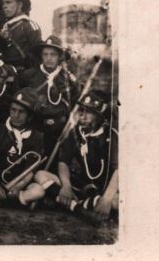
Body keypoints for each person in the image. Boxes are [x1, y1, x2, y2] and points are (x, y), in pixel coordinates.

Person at [33, 90, 119, 222]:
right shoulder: (75, 133)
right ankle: (81, 208)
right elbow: (63, 162)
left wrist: (106, 199)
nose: (82, 116)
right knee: (40, 175)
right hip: (81, 187)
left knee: (117, 202)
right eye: (81, 111)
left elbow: (119, 170)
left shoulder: (111, 136)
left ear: (99, 116)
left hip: (105, 189)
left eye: (89, 112)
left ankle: (72, 205)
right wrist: (66, 186)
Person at [21, 35, 78, 158]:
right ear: (41, 56)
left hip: (60, 132)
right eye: (45, 54)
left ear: (60, 57)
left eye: (53, 54)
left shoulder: (69, 80)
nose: (49, 58)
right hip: (35, 130)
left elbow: (75, 107)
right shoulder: (28, 76)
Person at [0, 0, 41, 71]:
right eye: (3, 3)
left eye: (8, 2)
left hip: (24, 73)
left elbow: (38, 54)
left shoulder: (29, 25)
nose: (4, 6)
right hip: (6, 72)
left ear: (20, 5)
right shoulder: (5, 27)